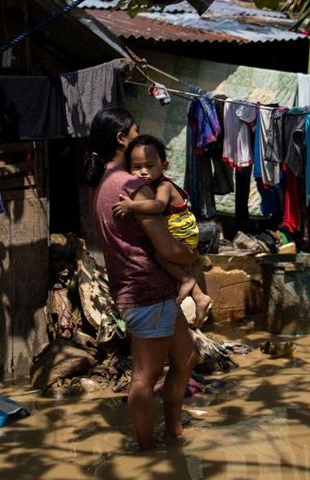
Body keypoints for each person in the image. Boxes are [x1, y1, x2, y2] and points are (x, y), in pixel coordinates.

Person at [89, 107, 198, 451]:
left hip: (148, 291)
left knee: (186, 358)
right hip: (146, 291)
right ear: (122, 139)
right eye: (136, 132)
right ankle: (148, 449)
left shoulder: (105, 184)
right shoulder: (131, 186)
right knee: (144, 378)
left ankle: (174, 433)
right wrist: (192, 256)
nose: (141, 138)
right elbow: (166, 247)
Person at [111, 135, 213, 328]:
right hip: (178, 230)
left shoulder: (164, 186)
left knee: (160, 255)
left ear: (164, 166)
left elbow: (158, 206)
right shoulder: (151, 185)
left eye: (149, 166)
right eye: (137, 167)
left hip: (182, 231)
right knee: (170, 259)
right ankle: (200, 297)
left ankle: (187, 280)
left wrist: (132, 205)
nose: (143, 172)